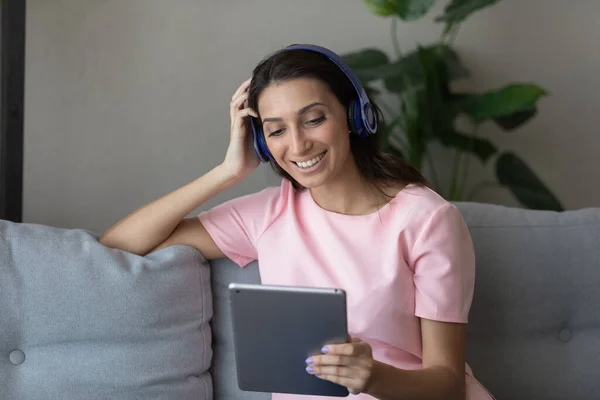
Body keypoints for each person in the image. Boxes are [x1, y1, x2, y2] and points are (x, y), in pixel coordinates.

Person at [100, 44, 495, 400]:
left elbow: (446, 383)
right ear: (262, 144)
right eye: (275, 131)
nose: (298, 145)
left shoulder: (427, 220)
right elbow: (120, 243)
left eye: (313, 119)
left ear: (353, 116)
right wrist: (227, 172)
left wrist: (373, 377)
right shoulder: (268, 214)